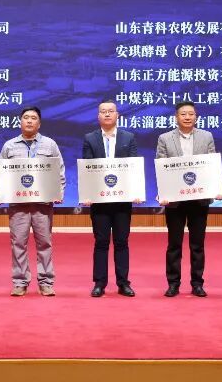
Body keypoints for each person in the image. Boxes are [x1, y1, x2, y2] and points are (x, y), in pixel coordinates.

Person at [156, 100, 222, 298]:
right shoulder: (165, 138)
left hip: (199, 199)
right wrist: (163, 191)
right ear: (176, 117)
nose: (187, 117)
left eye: (191, 114)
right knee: (174, 244)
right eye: (183, 114)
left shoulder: (206, 136)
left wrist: (216, 188)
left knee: (197, 244)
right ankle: (173, 283)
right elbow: (161, 167)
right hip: (175, 201)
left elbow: (211, 165)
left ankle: (197, 283)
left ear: (196, 117)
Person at [0, 106, 64, 296]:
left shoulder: (50, 145)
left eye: (33, 118)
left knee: (44, 243)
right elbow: (1, 173)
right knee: (18, 243)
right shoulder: (10, 146)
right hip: (18, 204)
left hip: (42, 204)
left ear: (39, 123)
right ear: (20, 122)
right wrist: (0, 193)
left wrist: (59, 192)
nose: (29, 121)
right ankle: (20, 282)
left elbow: (59, 170)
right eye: (25, 117)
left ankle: (46, 282)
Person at [81, 100, 139, 298]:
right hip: (100, 200)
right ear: (98, 116)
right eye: (103, 111)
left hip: (122, 200)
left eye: (111, 111)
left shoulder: (128, 137)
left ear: (117, 115)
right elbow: (87, 168)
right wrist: (87, 193)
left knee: (122, 242)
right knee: (101, 242)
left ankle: (123, 283)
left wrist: (136, 191)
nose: (107, 114)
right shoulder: (90, 138)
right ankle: (99, 283)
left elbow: (133, 167)